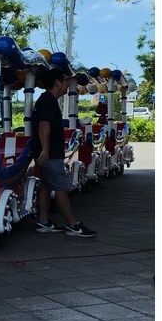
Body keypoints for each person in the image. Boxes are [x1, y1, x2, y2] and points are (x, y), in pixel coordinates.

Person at [31, 67, 96, 237]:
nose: (68, 84)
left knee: (45, 187)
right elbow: (43, 125)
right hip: (50, 154)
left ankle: (43, 221)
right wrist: (45, 150)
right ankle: (73, 225)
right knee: (61, 189)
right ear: (57, 82)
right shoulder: (48, 101)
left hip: (48, 153)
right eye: (66, 80)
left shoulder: (47, 100)